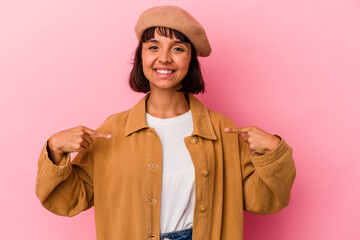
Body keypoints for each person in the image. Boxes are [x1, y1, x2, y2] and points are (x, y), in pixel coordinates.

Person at [35, 5, 296, 240]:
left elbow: (263, 200)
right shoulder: (112, 131)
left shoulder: (221, 129)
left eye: (178, 49)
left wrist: (273, 153)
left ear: (190, 61)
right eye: (153, 47)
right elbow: (67, 200)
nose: (165, 58)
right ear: (141, 58)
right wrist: (55, 149)